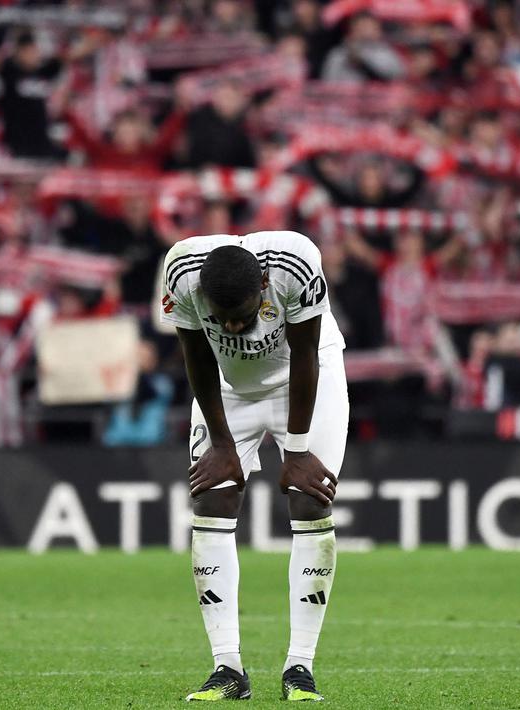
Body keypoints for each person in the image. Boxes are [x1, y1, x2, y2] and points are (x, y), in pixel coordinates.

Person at [160, 231, 346, 702]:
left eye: (242, 318)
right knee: (211, 497)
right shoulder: (182, 272)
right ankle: (227, 669)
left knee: (311, 504)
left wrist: (298, 449)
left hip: (303, 378)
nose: (235, 328)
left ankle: (300, 668)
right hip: (227, 386)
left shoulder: (295, 261)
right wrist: (221, 442)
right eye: (222, 320)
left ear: (263, 285)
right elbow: (197, 354)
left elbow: (306, 352)